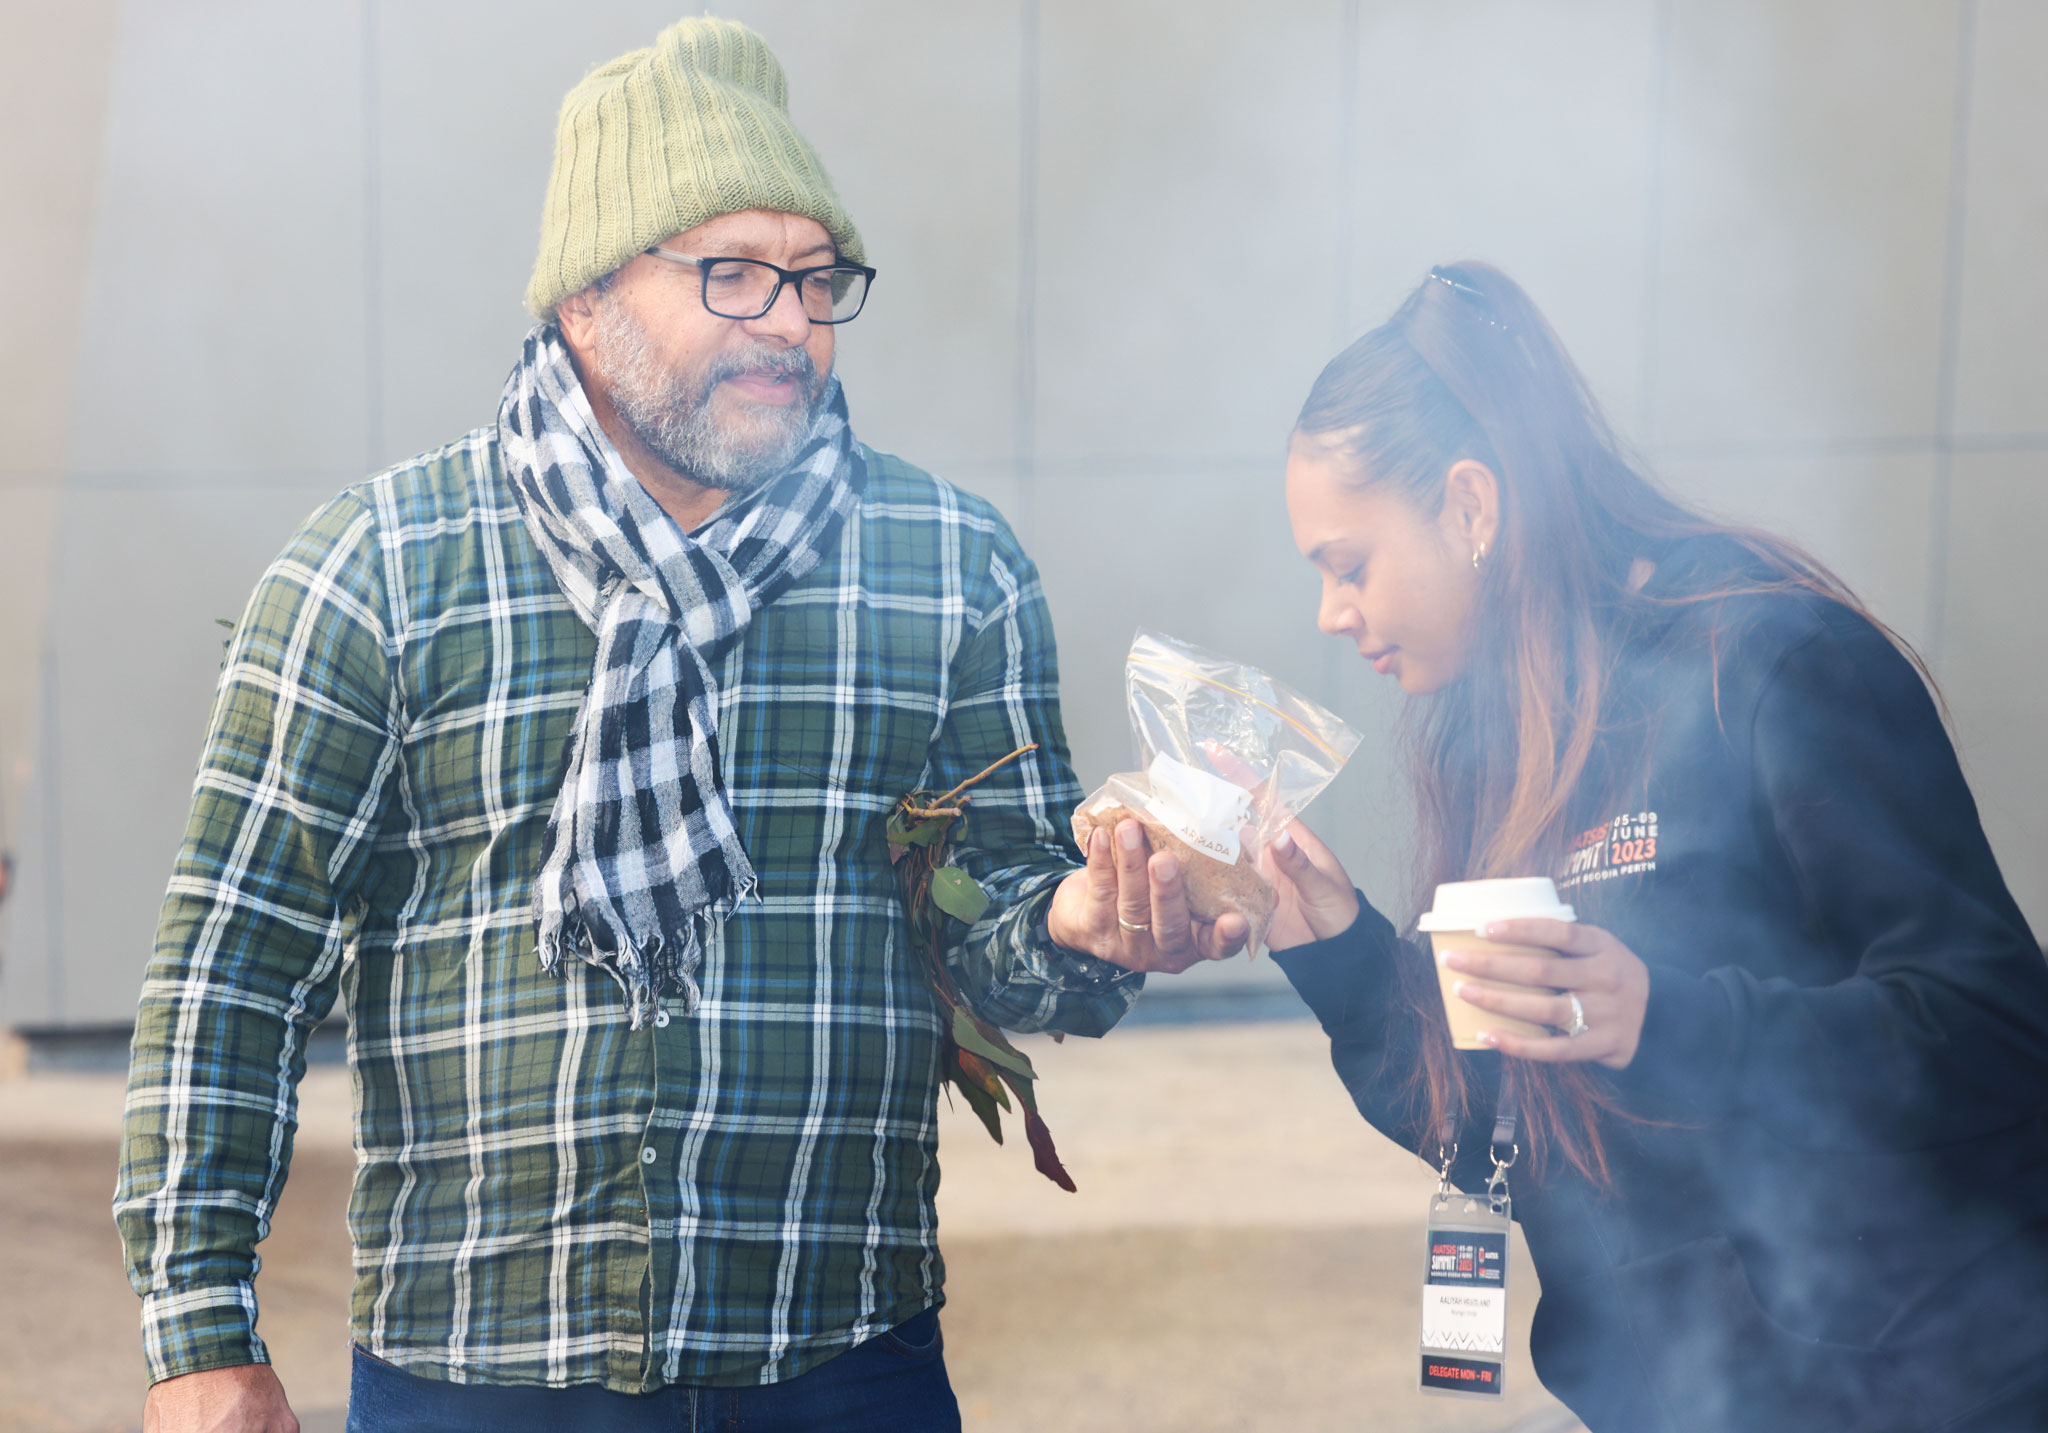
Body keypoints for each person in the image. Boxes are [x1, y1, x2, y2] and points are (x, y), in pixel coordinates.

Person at [115, 17, 1243, 1433]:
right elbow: (233, 966)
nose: (789, 320)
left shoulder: (948, 567)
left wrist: (1086, 922)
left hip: (840, 1363)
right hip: (475, 1371)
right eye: (732, 272)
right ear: (587, 298)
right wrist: (198, 1336)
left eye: (817, 278)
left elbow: (1000, 940)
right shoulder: (381, 572)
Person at [1257, 262, 2048, 1432]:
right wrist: (1331, 950)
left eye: (1348, 564)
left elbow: (1998, 1030)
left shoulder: (1771, 661)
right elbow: (1504, 1134)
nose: (1331, 613)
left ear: (1469, 506)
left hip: (1915, 1389)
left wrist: (1666, 1020)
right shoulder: (1487, 736)